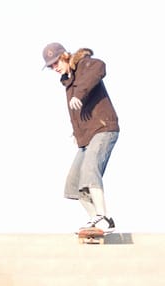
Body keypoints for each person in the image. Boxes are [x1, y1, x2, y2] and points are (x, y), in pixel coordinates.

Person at [42, 42, 120, 232]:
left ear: (65, 56)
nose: (55, 67)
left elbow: (100, 66)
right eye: (51, 66)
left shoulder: (84, 64)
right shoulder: (68, 82)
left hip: (104, 128)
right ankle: (99, 220)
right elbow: (76, 113)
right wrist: (76, 133)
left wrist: (79, 93)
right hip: (86, 137)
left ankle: (102, 215)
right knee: (74, 183)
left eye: (56, 62)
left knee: (89, 169)